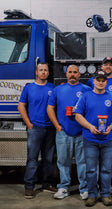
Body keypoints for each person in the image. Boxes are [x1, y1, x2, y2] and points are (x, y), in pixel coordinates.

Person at [75, 70, 112, 207]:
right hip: (90, 139)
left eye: (103, 80)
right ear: (93, 81)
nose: (101, 82)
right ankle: (92, 195)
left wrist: (111, 126)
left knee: (107, 169)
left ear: (106, 82)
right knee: (91, 170)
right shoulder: (85, 97)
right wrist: (90, 126)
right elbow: (78, 115)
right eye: (98, 80)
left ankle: (105, 194)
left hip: (108, 139)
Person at [47, 65, 91, 200]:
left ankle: (84, 188)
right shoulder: (58, 89)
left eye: (75, 72)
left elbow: (92, 109)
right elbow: (50, 108)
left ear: (80, 74)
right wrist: (57, 126)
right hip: (63, 132)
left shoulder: (87, 90)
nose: (72, 74)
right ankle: (63, 187)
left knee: (83, 162)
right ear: (66, 74)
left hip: (81, 132)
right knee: (63, 161)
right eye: (70, 72)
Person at [18, 62, 57, 199]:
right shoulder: (29, 88)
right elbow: (21, 106)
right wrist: (28, 123)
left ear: (48, 73)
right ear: (36, 72)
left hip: (50, 129)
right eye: (41, 70)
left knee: (48, 159)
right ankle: (29, 186)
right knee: (32, 159)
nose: (43, 72)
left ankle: (47, 184)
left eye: (46, 70)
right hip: (35, 129)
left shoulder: (53, 88)